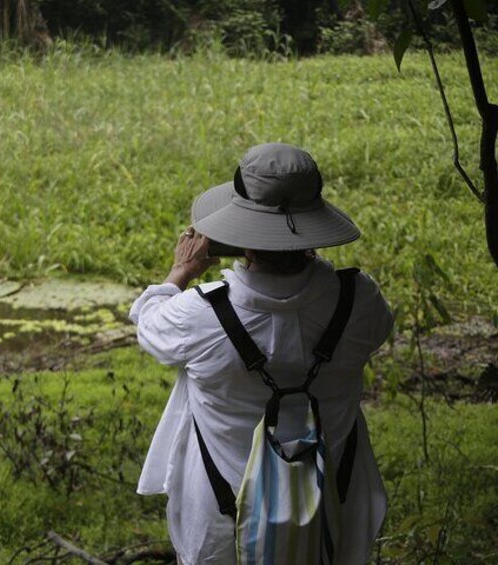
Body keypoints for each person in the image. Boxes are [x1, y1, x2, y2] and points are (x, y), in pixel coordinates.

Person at [129, 143, 392, 565]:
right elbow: (375, 328)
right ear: (313, 225)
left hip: (222, 522)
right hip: (331, 511)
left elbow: (147, 322)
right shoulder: (359, 300)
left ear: (241, 237)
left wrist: (180, 272)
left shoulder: (199, 313)